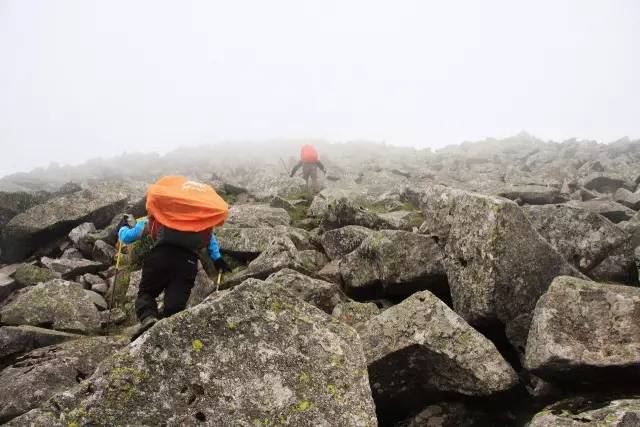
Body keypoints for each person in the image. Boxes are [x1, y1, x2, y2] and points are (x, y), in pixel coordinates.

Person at [119, 213, 230, 339]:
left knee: (147, 293)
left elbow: (127, 237)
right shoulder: (200, 220)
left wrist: (123, 227)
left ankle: (148, 317)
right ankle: (170, 329)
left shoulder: (161, 212)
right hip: (188, 263)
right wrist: (218, 259)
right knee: (174, 306)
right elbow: (210, 240)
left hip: (160, 257)